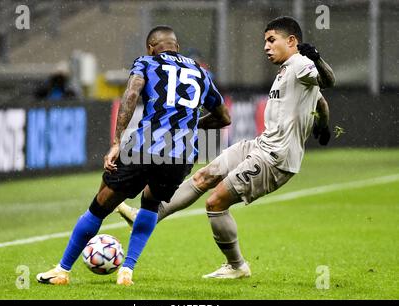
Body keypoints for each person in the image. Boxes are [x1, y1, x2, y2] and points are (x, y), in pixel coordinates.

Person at [117, 16, 335, 279]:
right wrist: (323, 125)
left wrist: (318, 59)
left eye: (271, 40)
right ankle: (149, 214)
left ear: (291, 41)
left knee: (216, 202)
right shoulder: (287, 69)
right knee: (204, 175)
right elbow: (320, 100)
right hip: (260, 144)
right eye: (265, 41)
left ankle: (237, 265)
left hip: (276, 158)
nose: (266, 46)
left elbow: (328, 81)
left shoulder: (301, 64)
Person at [36, 25, 231, 286]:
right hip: (182, 154)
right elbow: (223, 118)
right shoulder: (201, 72)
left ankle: (62, 270)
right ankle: (127, 270)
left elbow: (131, 94)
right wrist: (190, 126)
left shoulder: (146, 62)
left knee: (100, 203)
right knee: (150, 204)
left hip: (148, 145)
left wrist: (117, 141)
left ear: (151, 47)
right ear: (177, 47)